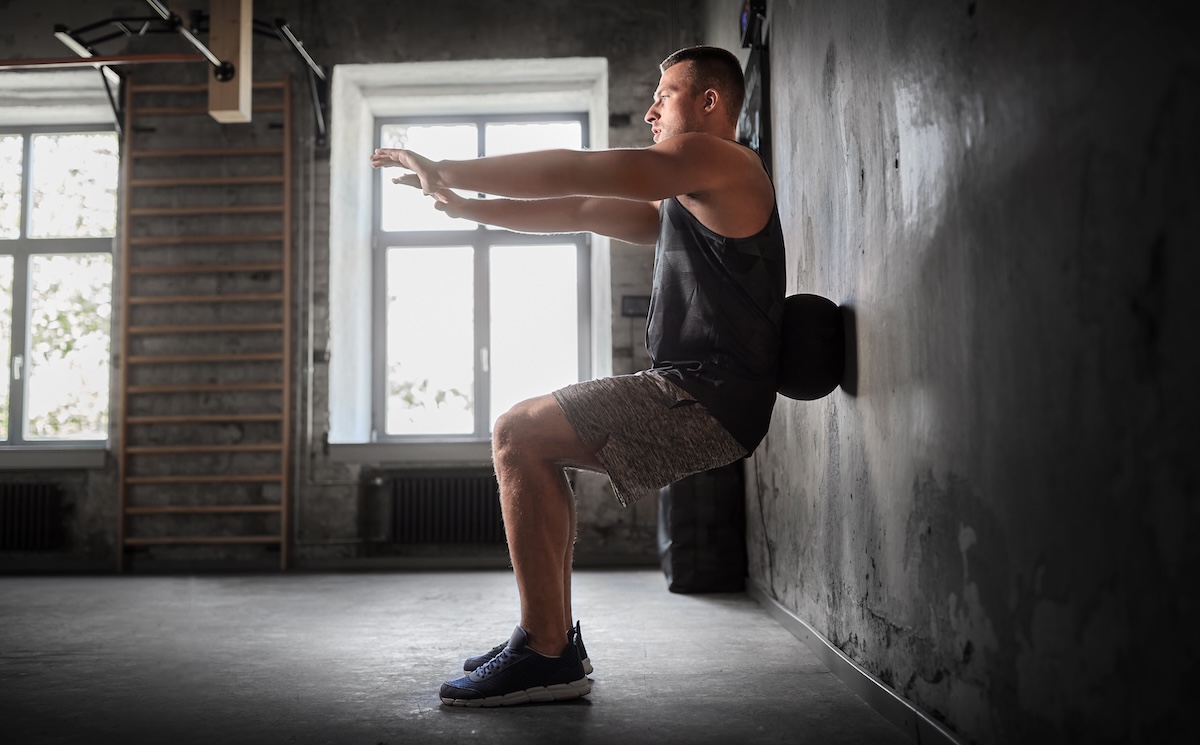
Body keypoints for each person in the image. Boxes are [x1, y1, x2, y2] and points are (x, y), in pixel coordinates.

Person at [370, 45, 786, 708]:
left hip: (707, 396)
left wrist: (447, 164)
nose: (650, 109)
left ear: (709, 103)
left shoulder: (723, 161)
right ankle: (549, 640)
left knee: (518, 431)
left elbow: (579, 166)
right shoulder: (689, 199)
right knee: (532, 442)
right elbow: (579, 207)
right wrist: (463, 206)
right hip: (698, 391)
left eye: (667, 94)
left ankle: (545, 652)